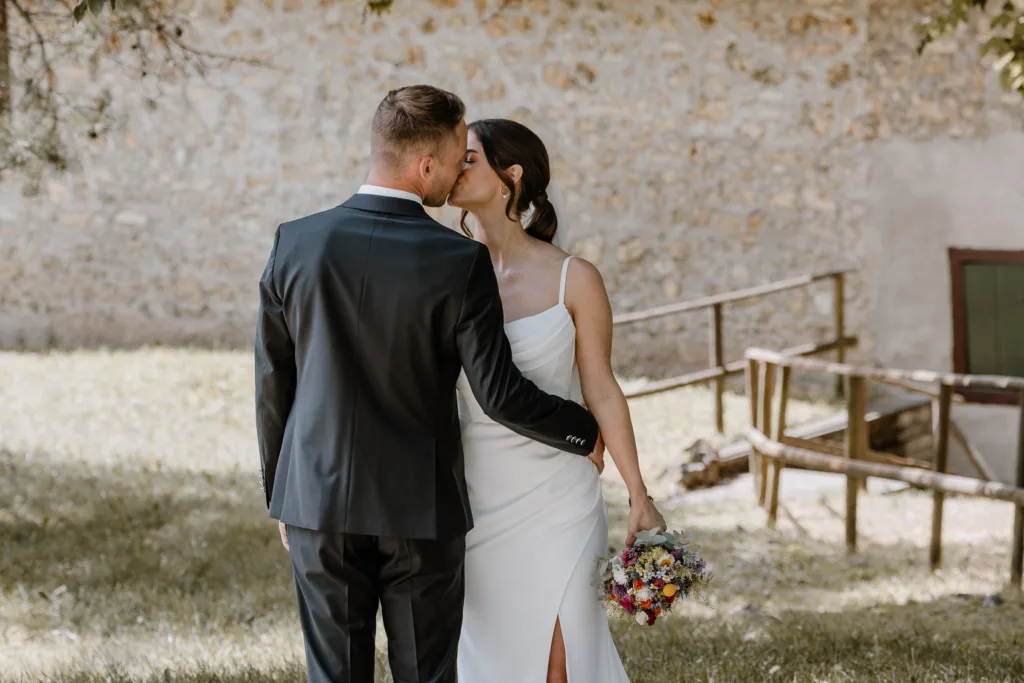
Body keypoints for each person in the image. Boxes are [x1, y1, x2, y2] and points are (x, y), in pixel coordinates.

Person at [254, 86, 603, 683]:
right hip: (421, 507)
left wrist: (281, 493)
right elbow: (499, 394)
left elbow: (272, 381)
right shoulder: (456, 259)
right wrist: (583, 430)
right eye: (454, 157)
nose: (456, 172)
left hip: (317, 499)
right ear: (424, 165)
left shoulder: (296, 242)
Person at [448, 118, 667, 683]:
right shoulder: (442, 271)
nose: (453, 164)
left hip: (557, 495)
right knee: (492, 658)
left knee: (559, 661)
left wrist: (637, 492)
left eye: (468, 157)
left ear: (510, 177)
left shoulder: (575, 277)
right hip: (476, 493)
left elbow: (601, 387)